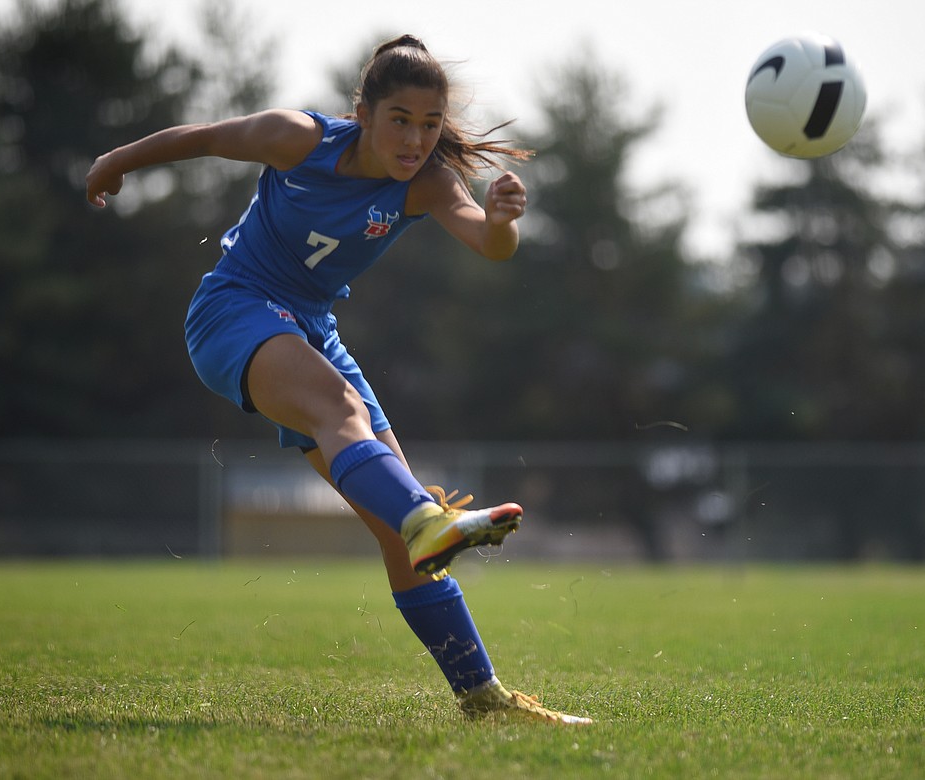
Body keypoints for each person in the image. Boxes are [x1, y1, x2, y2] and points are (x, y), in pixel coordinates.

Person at [86, 34, 590, 725]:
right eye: (400, 121)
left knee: (399, 537)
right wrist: (115, 162)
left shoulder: (429, 181)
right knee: (347, 417)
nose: (416, 139)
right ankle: (426, 519)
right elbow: (202, 137)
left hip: (312, 331)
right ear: (363, 112)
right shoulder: (298, 138)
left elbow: (487, 244)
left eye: (430, 123)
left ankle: (482, 697)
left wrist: (504, 222)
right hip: (232, 310)